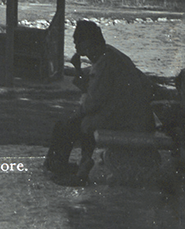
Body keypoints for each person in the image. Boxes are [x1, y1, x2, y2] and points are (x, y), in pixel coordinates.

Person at [44, 20, 156, 185]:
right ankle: (78, 165)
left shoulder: (105, 62)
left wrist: (77, 114)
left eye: (77, 43)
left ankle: (64, 167)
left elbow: (92, 102)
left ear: (86, 44)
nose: (76, 47)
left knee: (70, 125)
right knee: (82, 121)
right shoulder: (110, 55)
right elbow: (94, 90)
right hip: (132, 115)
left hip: (128, 120)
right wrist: (78, 68)